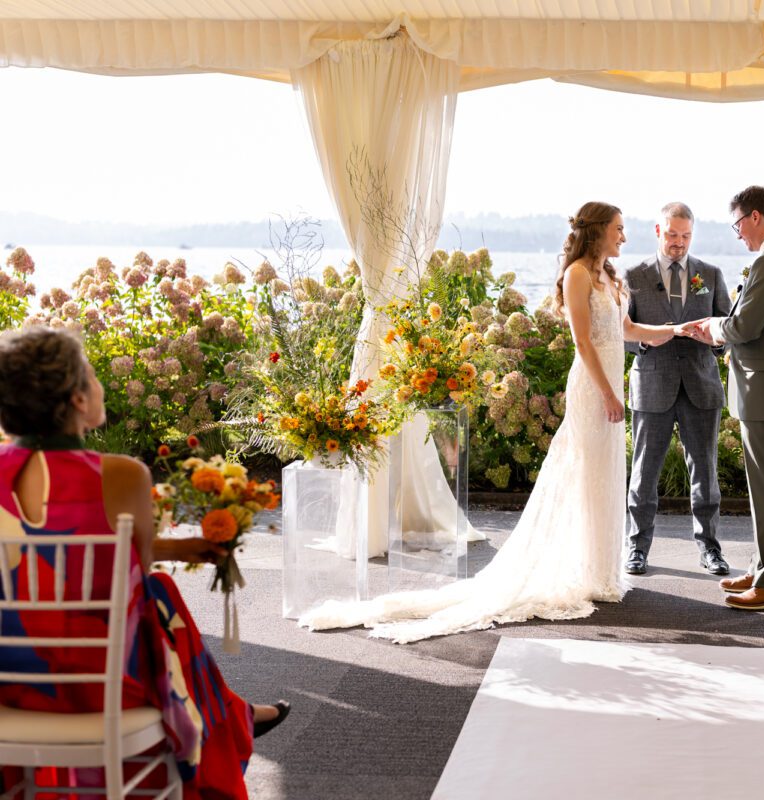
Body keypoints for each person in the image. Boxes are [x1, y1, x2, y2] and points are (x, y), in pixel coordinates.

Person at [301, 202, 682, 643]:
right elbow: (583, 341)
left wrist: (672, 330)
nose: (624, 236)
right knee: (583, 472)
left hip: (610, 386)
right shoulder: (578, 274)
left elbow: (626, 328)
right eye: (618, 229)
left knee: (603, 473)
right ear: (597, 231)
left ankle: (599, 569)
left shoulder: (612, 278)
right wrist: (609, 394)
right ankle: (580, 567)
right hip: (593, 388)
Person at [0, 327, 288, 799]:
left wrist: (181, 548)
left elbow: (59, 558)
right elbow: (136, 571)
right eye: (92, 376)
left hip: (11, 684)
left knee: (154, 595)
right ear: (75, 399)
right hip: (101, 686)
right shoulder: (120, 475)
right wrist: (173, 551)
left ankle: (233, 711)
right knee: (159, 596)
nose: (99, 386)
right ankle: (227, 714)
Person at [685, 186, 764, 611]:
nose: (738, 234)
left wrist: (714, 328)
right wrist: (722, 324)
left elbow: (746, 327)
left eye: (738, 224)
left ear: (755, 217)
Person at [623, 202, 732, 576]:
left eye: (685, 236)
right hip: (652, 384)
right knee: (644, 472)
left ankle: (710, 549)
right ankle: (636, 548)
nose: (679, 243)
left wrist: (714, 341)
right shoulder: (633, 276)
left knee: (706, 472)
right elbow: (619, 333)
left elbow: (727, 330)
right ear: (658, 231)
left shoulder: (711, 274)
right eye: (672, 235)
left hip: (701, 386)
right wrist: (645, 341)